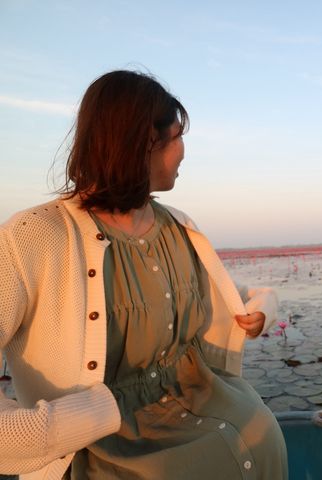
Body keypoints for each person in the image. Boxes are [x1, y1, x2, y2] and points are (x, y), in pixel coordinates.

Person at [0, 70, 288, 479]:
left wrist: (264, 306)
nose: (184, 151)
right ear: (142, 142)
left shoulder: (178, 226)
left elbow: (229, 294)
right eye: (176, 136)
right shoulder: (31, 239)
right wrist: (63, 426)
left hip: (206, 403)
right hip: (105, 450)